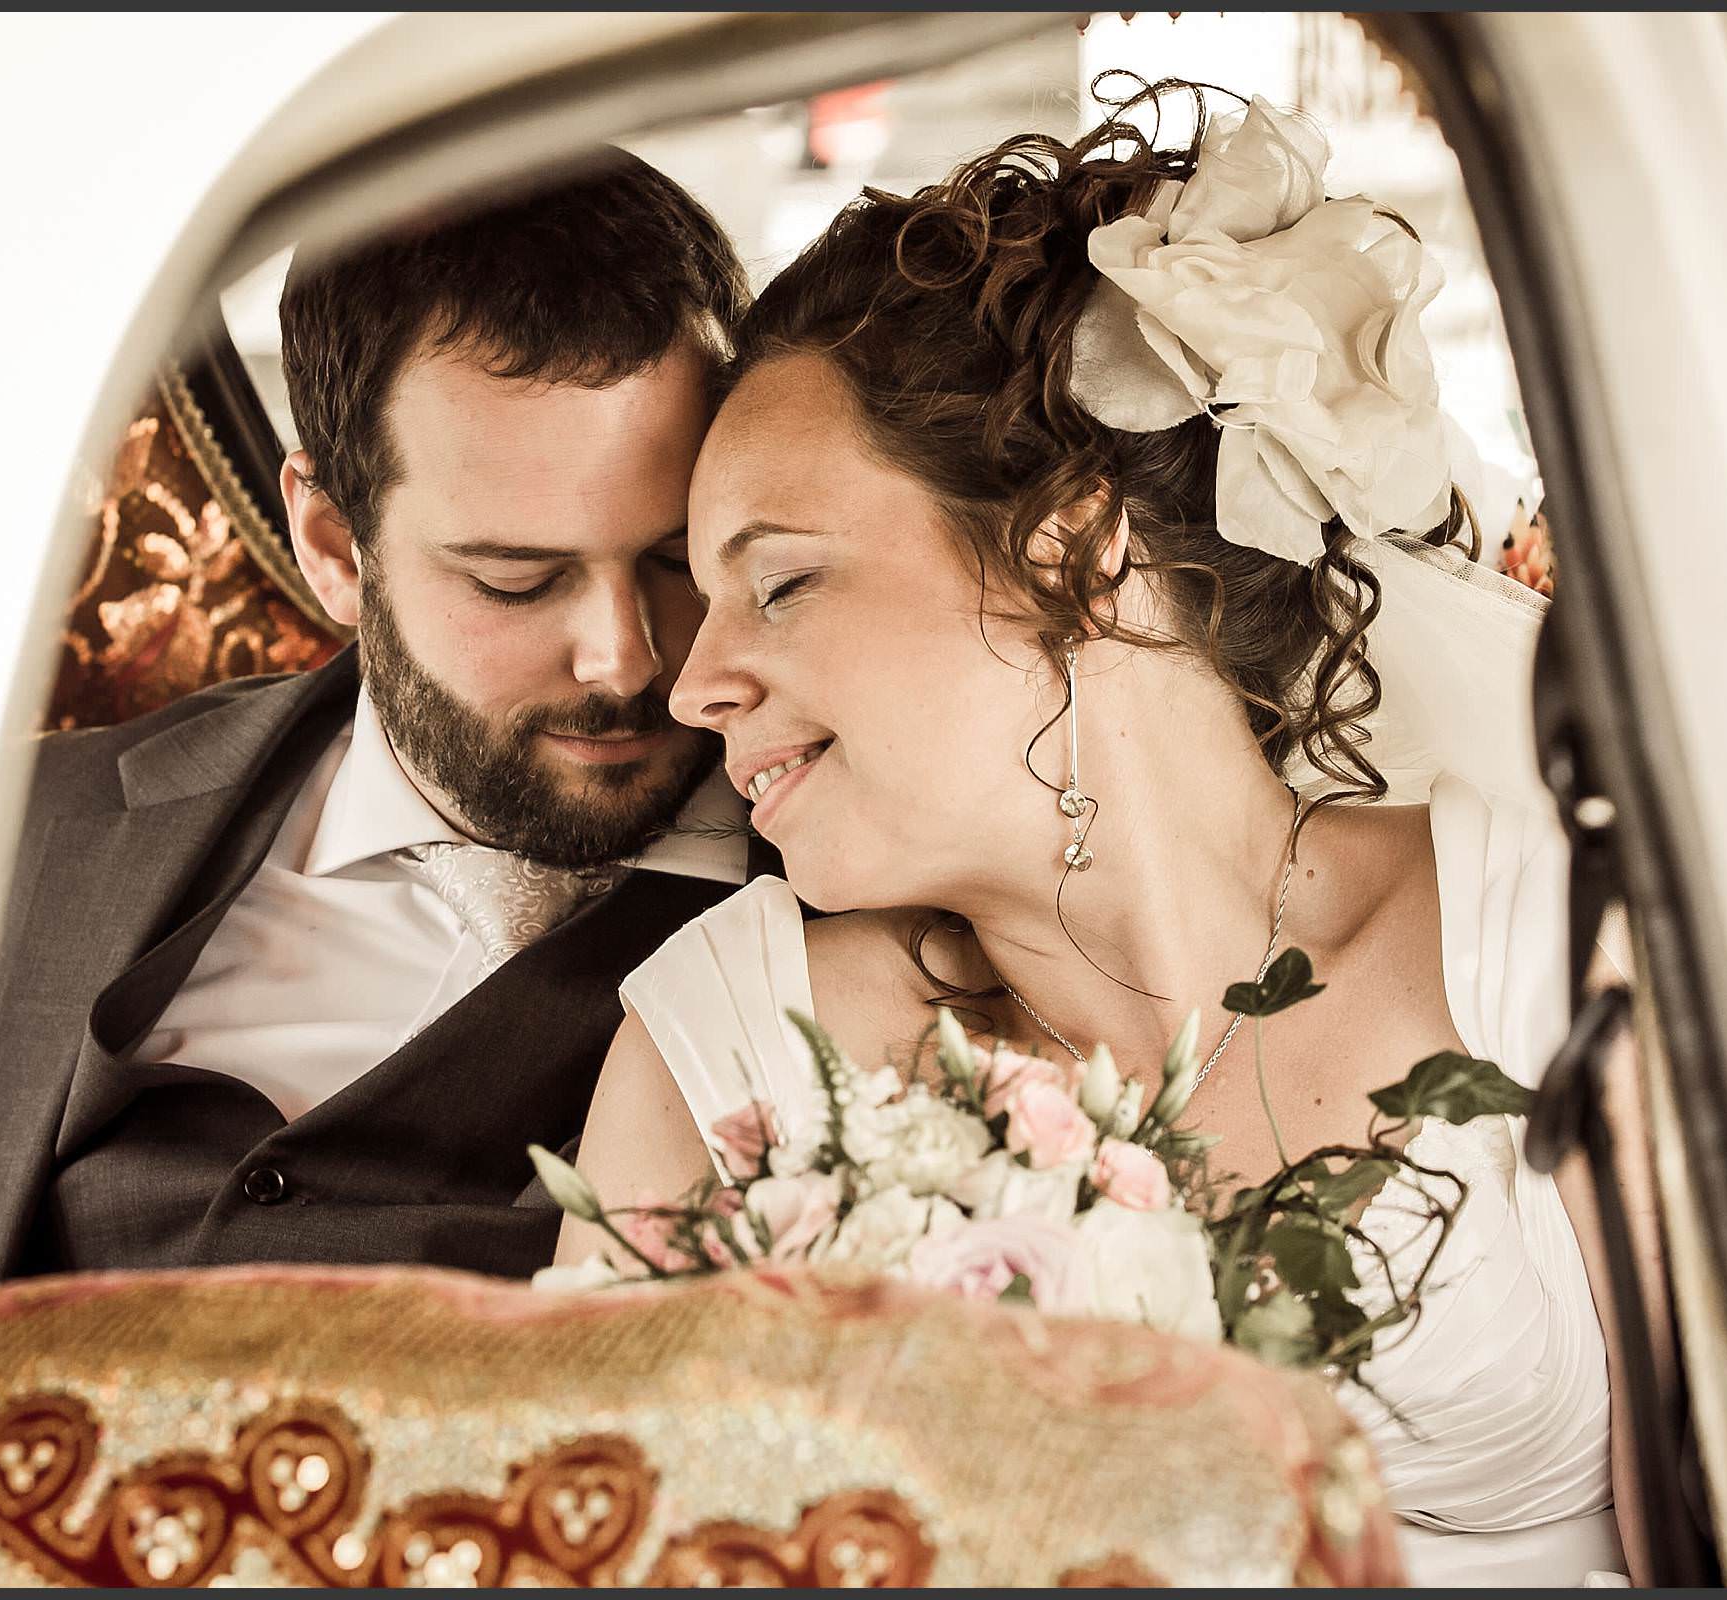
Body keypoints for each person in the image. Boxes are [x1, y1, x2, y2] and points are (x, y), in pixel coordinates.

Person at [560, 94, 1635, 1584]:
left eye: (782, 584)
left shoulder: (1542, 943)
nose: (694, 681)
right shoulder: (727, 1056)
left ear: (1068, 553)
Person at [0, 148, 775, 1288]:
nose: (625, 654)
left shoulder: (857, 897)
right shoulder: (25, 826)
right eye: (514, 579)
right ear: (336, 548)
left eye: (675, 556)